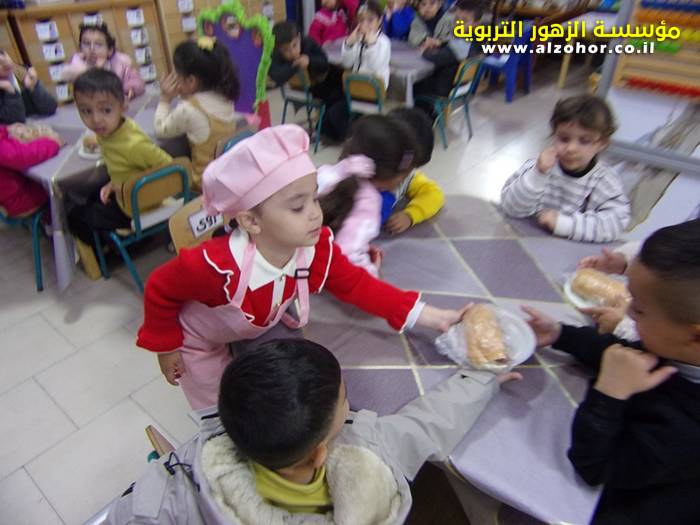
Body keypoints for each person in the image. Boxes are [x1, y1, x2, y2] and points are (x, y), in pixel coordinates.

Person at [138, 124, 465, 410]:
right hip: (199, 342)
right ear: (251, 221)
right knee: (221, 409)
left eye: (314, 198)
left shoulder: (314, 248)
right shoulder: (215, 265)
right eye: (298, 207)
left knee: (274, 394)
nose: (315, 214)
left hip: (259, 326)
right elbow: (159, 287)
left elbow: (359, 286)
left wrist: (434, 317)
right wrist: (166, 345)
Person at [105, 337, 521, 524]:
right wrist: (484, 378)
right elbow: (426, 425)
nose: (350, 404)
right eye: (345, 399)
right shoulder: (369, 457)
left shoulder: (175, 490)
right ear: (321, 453)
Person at [523, 219, 700, 525]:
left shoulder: (686, 433)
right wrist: (561, 334)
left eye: (639, 309)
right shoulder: (677, 347)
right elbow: (624, 352)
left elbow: (594, 466)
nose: (627, 313)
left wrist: (610, 392)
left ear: (695, 335)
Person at [67, 69, 172, 279]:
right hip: (125, 192)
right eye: (86, 111)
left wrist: (122, 185)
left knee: (74, 216)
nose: (96, 119)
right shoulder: (114, 129)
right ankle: (119, 242)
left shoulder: (133, 144)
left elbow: (170, 168)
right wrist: (114, 184)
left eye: (106, 110)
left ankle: (116, 251)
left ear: (123, 105)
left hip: (136, 204)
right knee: (87, 196)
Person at [500, 95, 631, 242]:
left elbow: (615, 224)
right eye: (564, 139)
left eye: (584, 141)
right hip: (528, 240)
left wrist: (564, 224)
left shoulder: (605, 181)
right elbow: (510, 208)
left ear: (602, 144)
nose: (571, 148)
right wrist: (538, 174)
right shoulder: (538, 166)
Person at [319, 114, 415, 275]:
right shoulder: (368, 202)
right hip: (310, 269)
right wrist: (371, 269)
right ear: (393, 175)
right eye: (404, 176)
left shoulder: (330, 171)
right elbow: (348, 260)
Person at [155, 37, 240, 190]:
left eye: (177, 75)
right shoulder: (225, 97)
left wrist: (164, 99)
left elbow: (160, 130)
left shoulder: (189, 110)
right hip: (227, 175)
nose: (175, 79)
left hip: (204, 183)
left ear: (191, 81)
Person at [411, 0, 486, 118]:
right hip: (459, 85)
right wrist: (441, 43)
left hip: (442, 88)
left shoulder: (463, 45)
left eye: (464, 21)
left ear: (476, 24)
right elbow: (452, 48)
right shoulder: (477, 40)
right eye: (456, 19)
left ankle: (421, 118)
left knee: (413, 84)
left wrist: (424, 51)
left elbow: (436, 57)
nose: (458, 24)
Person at [383, 107, 445, 234]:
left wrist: (410, 215)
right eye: (396, 170)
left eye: (409, 169)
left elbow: (434, 194)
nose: (401, 178)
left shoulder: (408, 177)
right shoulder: (355, 174)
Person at [61, 23, 145, 99]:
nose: (92, 48)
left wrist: (130, 89)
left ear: (109, 50)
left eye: (98, 44)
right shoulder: (77, 67)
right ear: (80, 48)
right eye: (86, 44)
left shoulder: (118, 64)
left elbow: (137, 81)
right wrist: (95, 70)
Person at [268, 21, 342, 105]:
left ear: (299, 37)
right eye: (286, 50)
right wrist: (297, 65)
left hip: (321, 84)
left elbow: (324, 62)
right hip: (307, 90)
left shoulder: (308, 43)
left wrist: (309, 61)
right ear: (278, 48)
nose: (293, 52)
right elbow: (275, 75)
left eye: (295, 45)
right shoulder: (275, 53)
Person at [0, 124, 61, 217]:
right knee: (57, 187)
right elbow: (22, 156)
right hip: (18, 200)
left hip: (11, 193)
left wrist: (5, 129)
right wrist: (53, 143)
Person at [0, 48, 57, 125]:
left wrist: (33, 86)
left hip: (40, 124)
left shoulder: (21, 72)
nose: (6, 63)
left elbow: (50, 108)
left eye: (4, 55)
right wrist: (9, 89)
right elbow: (16, 120)